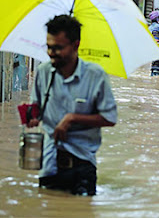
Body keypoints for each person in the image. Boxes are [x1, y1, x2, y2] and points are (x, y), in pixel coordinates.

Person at [27, 15, 117, 195]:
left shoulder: (95, 75)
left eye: (58, 48)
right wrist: (30, 115)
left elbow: (109, 118)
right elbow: (36, 111)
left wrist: (72, 118)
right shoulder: (44, 72)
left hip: (82, 165)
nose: (51, 53)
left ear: (76, 45)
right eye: (49, 47)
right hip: (49, 164)